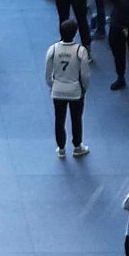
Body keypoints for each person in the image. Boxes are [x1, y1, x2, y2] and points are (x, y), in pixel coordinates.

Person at [43, 16, 92, 157]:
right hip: (75, 91)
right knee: (76, 119)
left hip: (58, 90)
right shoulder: (80, 51)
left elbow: (47, 72)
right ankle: (77, 146)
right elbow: (85, 75)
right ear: (75, 33)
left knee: (59, 120)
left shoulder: (53, 49)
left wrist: (52, 85)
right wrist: (84, 88)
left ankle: (61, 149)